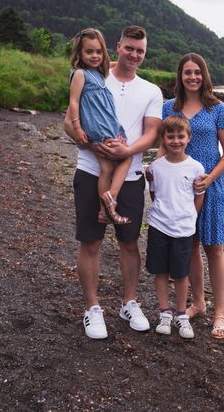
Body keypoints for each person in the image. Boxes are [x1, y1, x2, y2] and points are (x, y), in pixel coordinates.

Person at [65, 25, 162, 339]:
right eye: (129, 48)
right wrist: (91, 144)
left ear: (144, 53)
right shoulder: (92, 74)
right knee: (90, 242)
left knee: (129, 242)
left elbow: (151, 134)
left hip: (131, 175)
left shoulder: (151, 90)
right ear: (117, 46)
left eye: (140, 50)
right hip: (89, 170)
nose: (134, 54)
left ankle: (129, 302)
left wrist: (127, 150)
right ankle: (92, 308)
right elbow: (69, 119)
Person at [162, 53, 224, 339]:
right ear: (180, 75)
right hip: (180, 189)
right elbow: (165, 147)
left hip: (211, 185)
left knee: (213, 248)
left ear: (204, 75)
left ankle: (219, 312)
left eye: (197, 72)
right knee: (190, 245)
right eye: (187, 72)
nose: (192, 77)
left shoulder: (217, 108)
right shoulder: (170, 107)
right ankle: (198, 304)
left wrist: (210, 177)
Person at [146, 116, 205, 339]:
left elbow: (199, 196)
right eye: (170, 136)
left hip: (184, 228)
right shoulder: (155, 167)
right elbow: (154, 193)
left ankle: (181, 314)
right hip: (159, 226)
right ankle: (164, 313)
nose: (176, 140)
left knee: (181, 273)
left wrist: (190, 216)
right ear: (163, 138)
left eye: (181, 136)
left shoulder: (196, 166)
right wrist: (163, 212)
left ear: (188, 138)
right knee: (160, 271)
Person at [69, 28, 131, 225]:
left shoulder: (97, 73)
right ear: (79, 53)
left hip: (105, 126)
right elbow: (74, 103)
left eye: (99, 51)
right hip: (98, 128)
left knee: (106, 167)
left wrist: (124, 63)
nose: (95, 56)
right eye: (89, 52)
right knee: (126, 156)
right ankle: (109, 201)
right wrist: (77, 128)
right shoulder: (80, 74)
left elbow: (111, 64)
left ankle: (106, 206)